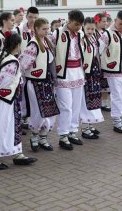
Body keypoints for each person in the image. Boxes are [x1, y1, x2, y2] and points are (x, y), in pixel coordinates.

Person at [0, 32, 37, 169]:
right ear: (18, 45)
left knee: (12, 125)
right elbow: (3, 81)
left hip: (3, 98)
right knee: (0, 126)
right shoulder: (12, 61)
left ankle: (16, 153)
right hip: (4, 99)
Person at [20, 17, 59, 152]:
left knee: (49, 111)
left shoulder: (46, 42)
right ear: (36, 29)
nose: (47, 31)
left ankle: (43, 137)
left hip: (46, 82)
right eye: (44, 29)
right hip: (35, 83)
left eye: (48, 29)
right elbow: (23, 65)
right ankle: (35, 137)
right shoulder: (33, 44)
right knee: (37, 111)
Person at [50, 10, 85, 150]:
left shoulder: (81, 34)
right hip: (63, 73)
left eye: (80, 25)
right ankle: (63, 135)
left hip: (78, 72)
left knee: (76, 105)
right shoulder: (57, 33)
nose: (78, 27)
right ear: (69, 20)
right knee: (66, 106)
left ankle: (72, 131)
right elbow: (50, 51)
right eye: (76, 24)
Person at [99, 10, 122, 134]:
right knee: (117, 96)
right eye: (120, 24)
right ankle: (116, 121)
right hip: (114, 69)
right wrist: (101, 65)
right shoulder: (107, 34)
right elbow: (98, 50)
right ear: (115, 21)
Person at [79, 17, 104, 139]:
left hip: (94, 71)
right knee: (86, 99)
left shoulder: (93, 38)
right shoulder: (81, 40)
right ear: (83, 27)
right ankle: (85, 128)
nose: (90, 31)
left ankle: (91, 123)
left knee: (94, 98)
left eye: (92, 29)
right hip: (86, 72)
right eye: (88, 28)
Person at [94, 12, 111, 112]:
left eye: (106, 21)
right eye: (103, 21)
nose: (106, 23)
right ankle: (97, 102)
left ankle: (104, 103)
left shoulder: (106, 32)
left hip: (106, 60)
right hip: (96, 60)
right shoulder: (94, 32)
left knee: (105, 83)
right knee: (97, 82)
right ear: (97, 21)